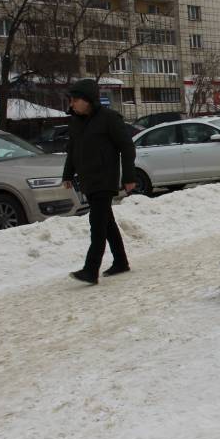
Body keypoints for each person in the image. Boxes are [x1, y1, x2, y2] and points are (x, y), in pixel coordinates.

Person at [62, 79, 137, 285]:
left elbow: (127, 147)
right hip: (88, 180)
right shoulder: (76, 122)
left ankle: (90, 269)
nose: (72, 104)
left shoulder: (109, 118)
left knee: (97, 224)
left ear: (88, 100)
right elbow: (73, 150)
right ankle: (121, 261)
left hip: (105, 179)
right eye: (71, 100)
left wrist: (129, 176)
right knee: (107, 222)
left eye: (75, 100)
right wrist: (68, 174)